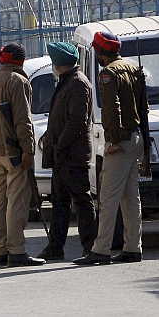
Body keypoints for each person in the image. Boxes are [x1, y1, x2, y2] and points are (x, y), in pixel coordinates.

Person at [74, 31, 145, 265]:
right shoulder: (133, 69)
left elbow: (112, 108)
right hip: (135, 139)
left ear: (100, 52)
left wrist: (113, 141)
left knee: (108, 197)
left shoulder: (108, 73)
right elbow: (142, 108)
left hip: (121, 141)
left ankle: (101, 249)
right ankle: (133, 247)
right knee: (130, 197)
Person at [0, 42, 46, 268]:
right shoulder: (18, 81)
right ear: (21, 61)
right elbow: (23, 119)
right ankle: (17, 251)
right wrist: (27, 150)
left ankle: (1, 252)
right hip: (15, 152)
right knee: (17, 202)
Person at [37, 42, 97, 260]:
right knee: (59, 203)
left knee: (81, 200)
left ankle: (91, 248)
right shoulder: (66, 82)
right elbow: (61, 117)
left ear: (59, 63)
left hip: (72, 155)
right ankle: (55, 247)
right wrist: (50, 139)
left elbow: (77, 121)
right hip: (61, 155)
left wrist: (60, 144)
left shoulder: (78, 83)